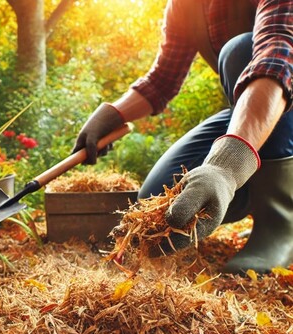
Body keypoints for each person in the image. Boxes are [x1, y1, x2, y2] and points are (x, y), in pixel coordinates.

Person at [72, 0, 292, 273]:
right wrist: (113, 114)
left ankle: (280, 223)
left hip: (282, 96)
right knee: (163, 203)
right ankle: (257, 200)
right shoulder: (184, 6)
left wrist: (225, 168)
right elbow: (162, 80)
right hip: (253, 112)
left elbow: (277, 60)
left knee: (240, 50)